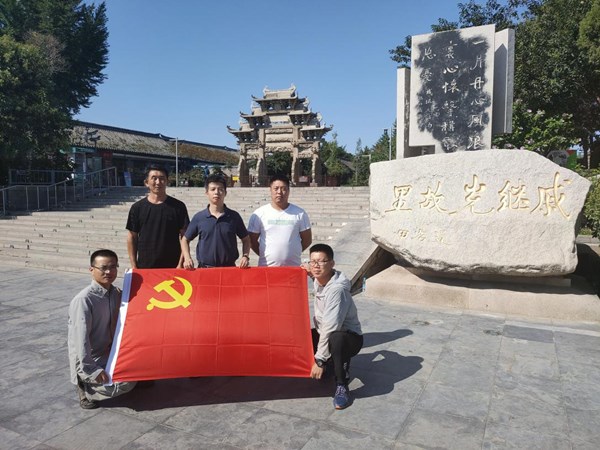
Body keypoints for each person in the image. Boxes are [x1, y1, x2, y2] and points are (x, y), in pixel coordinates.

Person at [67, 249, 136, 409]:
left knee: (142, 371)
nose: (109, 272)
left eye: (113, 267)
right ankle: (86, 388)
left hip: (110, 353)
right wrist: (93, 370)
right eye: (103, 268)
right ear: (91, 269)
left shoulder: (116, 293)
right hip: (92, 359)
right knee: (126, 383)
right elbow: (81, 341)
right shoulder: (84, 300)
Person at [307, 243, 363, 410]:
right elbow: (313, 271)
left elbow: (331, 327)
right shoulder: (320, 279)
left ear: (332, 263)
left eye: (321, 261)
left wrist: (319, 360)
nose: (316, 265)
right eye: (313, 261)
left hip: (349, 338)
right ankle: (332, 363)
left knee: (335, 339)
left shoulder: (337, 290)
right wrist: (307, 270)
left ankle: (341, 384)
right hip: (329, 332)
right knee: (303, 336)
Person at [126, 164, 190, 268]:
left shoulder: (178, 207)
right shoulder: (137, 208)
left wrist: (180, 263)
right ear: (146, 182)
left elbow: (185, 236)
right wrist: (134, 265)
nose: (158, 182)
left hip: (172, 266)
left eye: (162, 178)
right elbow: (132, 237)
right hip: (145, 267)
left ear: (167, 181)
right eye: (154, 178)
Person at [181, 174, 251, 268]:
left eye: (220, 189)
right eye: (213, 189)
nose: (217, 192)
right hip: (205, 269)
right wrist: (187, 258)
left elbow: (246, 239)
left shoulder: (234, 217)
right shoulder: (199, 217)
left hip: (228, 269)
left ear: (225, 193)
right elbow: (185, 240)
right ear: (207, 192)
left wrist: (245, 256)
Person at [247, 174, 312, 266]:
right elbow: (252, 241)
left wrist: (293, 252)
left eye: (283, 189)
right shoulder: (259, 214)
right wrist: (264, 254)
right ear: (270, 190)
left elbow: (307, 240)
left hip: (293, 267)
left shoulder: (300, 213)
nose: (279, 192)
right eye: (276, 188)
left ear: (288, 191)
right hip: (267, 267)